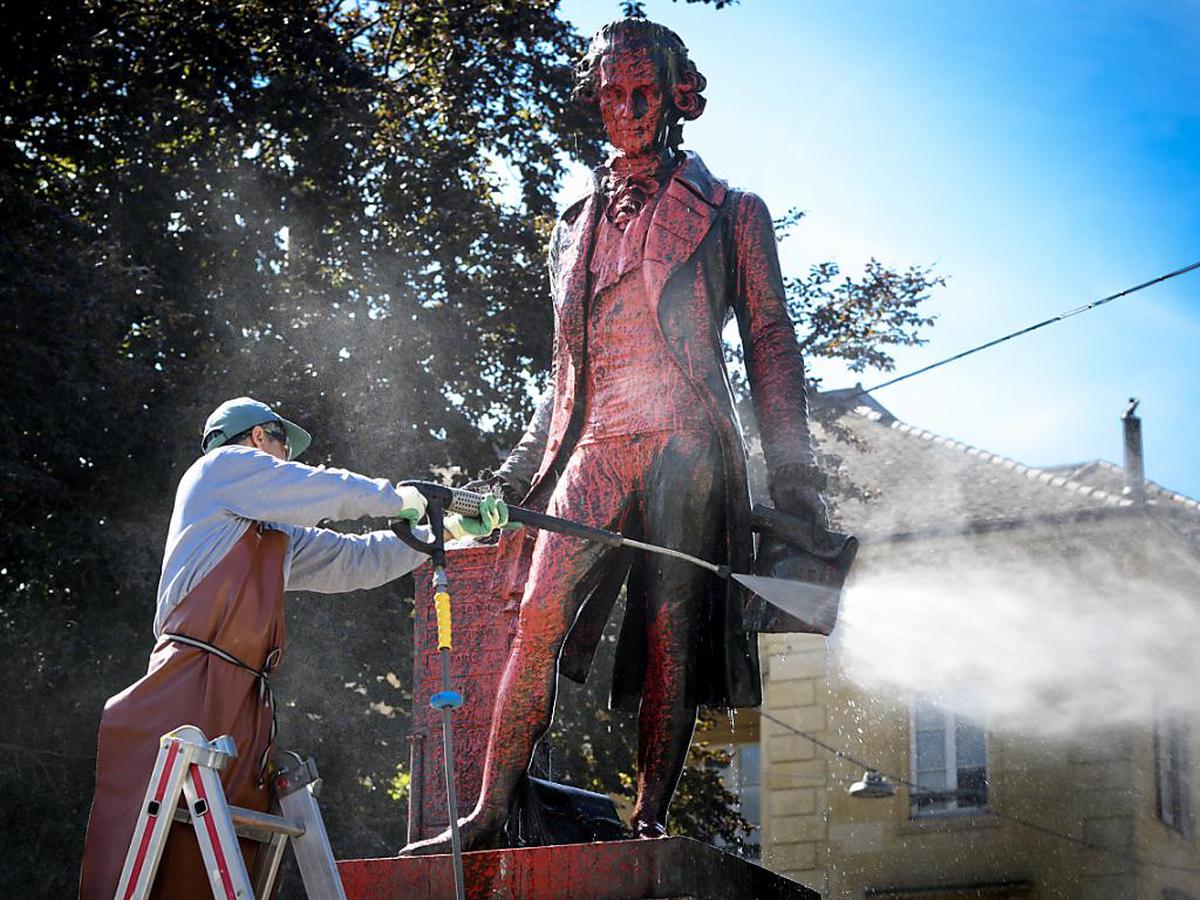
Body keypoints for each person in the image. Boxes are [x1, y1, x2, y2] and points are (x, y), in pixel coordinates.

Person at [402, 18, 828, 854]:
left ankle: (650, 820)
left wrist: (795, 472)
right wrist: (516, 475)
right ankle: (487, 812)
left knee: (672, 624)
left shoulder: (734, 212)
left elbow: (773, 343)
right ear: (594, 101)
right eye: (613, 94)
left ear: (679, 96)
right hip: (595, 443)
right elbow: (563, 376)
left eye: (645, 93)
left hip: (687, 442)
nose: (629, 110)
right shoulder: (572, 226)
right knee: (536, 616)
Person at [79, 396, 508, 898]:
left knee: (224, 853)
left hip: (245, 696)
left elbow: (356, 560)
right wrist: (398, 498)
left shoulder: (272, 533)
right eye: (284, 444)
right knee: (166, 850)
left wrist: (447, 528)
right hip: (189, 681)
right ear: (259, 437)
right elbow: (317, 489)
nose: (290, 458)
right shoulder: (218, 468)